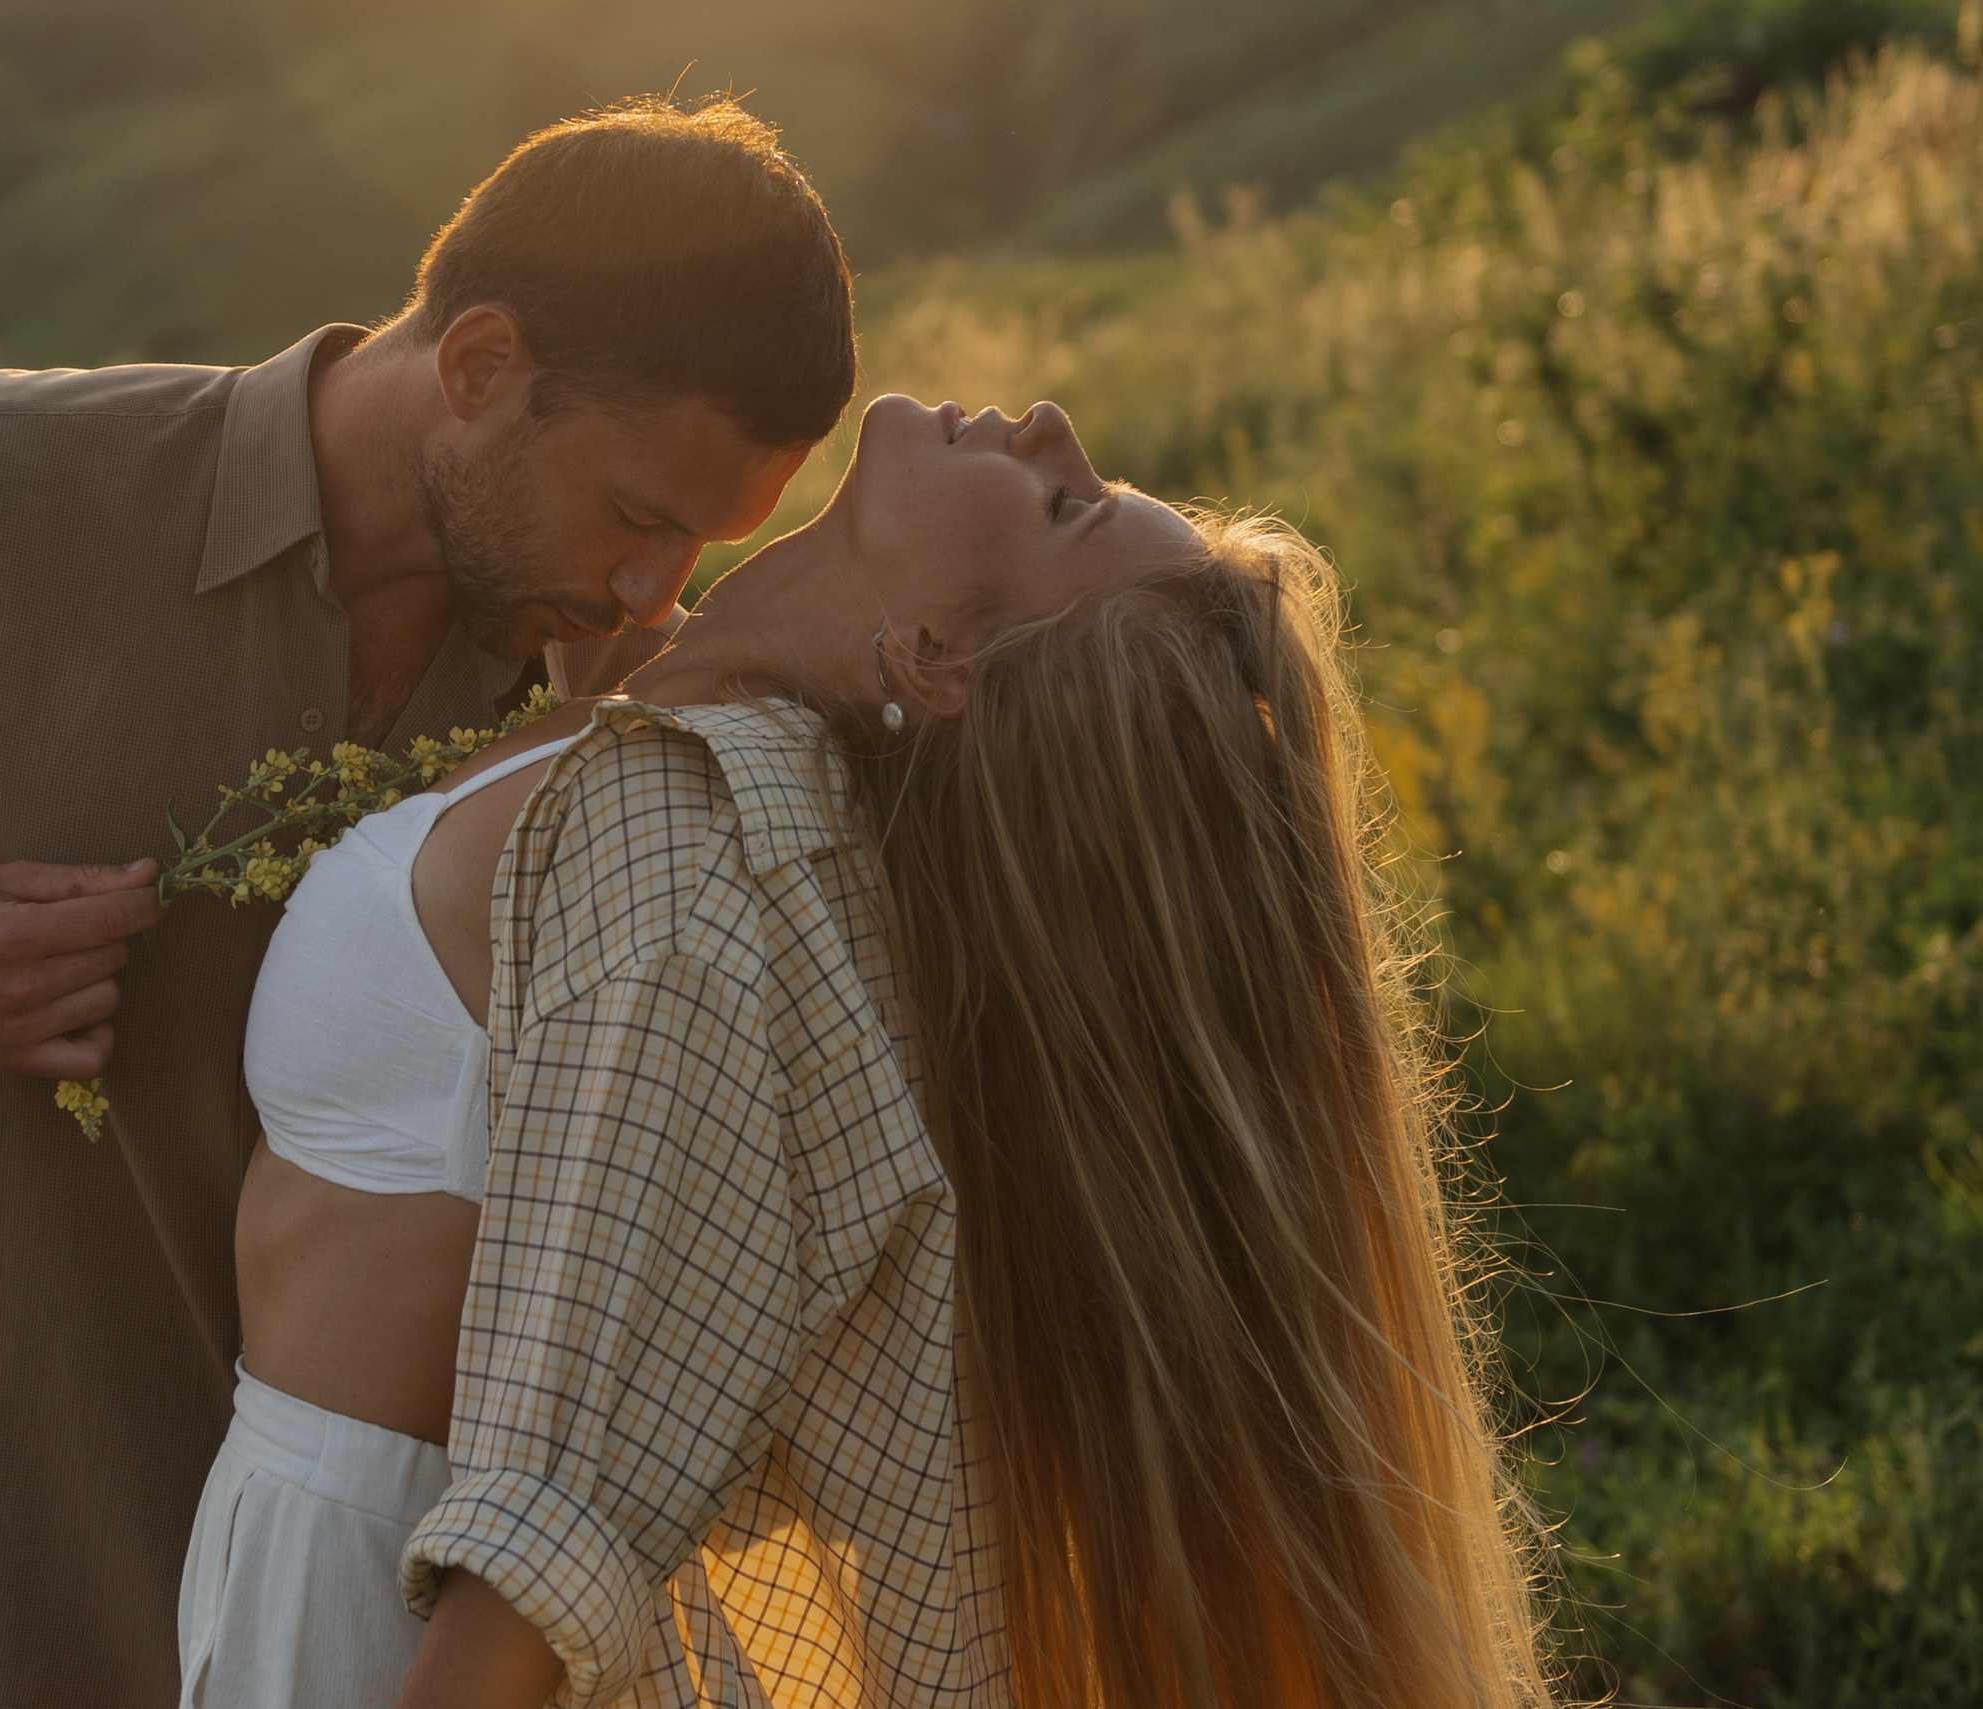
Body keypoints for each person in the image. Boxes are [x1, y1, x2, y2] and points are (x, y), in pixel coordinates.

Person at [0, 99, 855, 1709]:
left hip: (419, 1644)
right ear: (481, 363)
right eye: (641, 516)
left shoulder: (597, 692)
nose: (659, 591)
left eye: (702, 546)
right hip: (32, 1631)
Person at [185, 393, 1559, 1707]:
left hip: (358, 1625)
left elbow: (556, 1538)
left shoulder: (688, 860)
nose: (1052, 431)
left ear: (934, 659)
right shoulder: (694, 724)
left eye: (1065, 506)